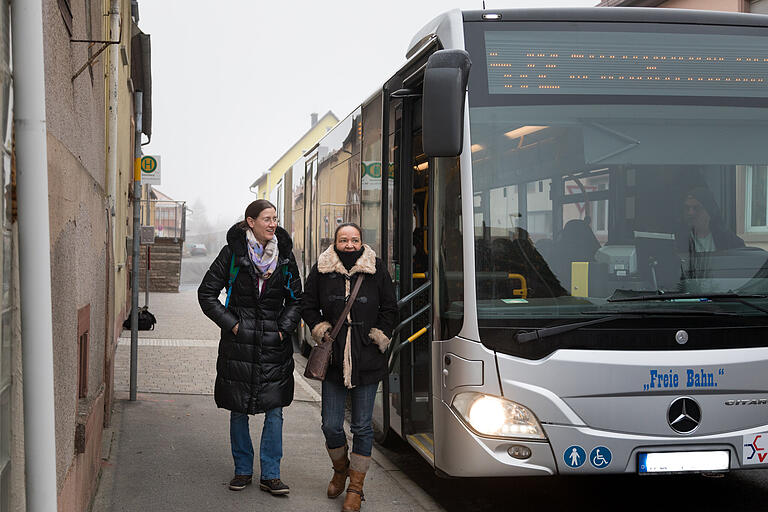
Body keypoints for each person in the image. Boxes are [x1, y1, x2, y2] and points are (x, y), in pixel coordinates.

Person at [197, 199, 302, 495]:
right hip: (239, 344)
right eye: (267, 219)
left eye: (275, 219)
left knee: (275, 410)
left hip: (273, 345)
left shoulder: (284, 257)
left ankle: (271, 474)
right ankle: (242, 470)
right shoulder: (232, 253)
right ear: (250, 221)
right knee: (238, 408)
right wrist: (233, 324)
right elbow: (207, 294)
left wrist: (282, 330)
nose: (273, 224)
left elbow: (297, 299)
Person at [301, 223, 397, 512]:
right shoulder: (322, 267)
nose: (349, 244)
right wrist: (319, 327)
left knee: (361, 427)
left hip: (366, 357)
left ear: (361, 242)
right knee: (331, 425)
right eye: (344, 240)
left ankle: (356, 488)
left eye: (354, 239)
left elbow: (390, 308)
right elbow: (306, 303)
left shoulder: (376, 268)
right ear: (336, 242)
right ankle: (340, 469)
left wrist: (379, 334)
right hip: (332, 359)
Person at [678, 186, 744, 253]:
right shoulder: (678, 240)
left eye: (696, 208)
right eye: (687, 208)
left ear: (709, 212)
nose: (690, 213)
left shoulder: (727, 239)